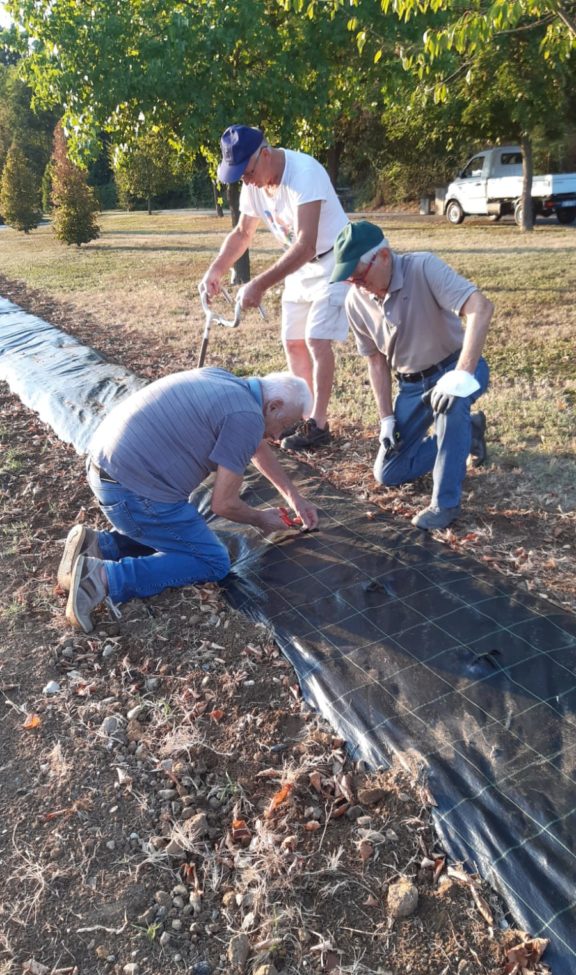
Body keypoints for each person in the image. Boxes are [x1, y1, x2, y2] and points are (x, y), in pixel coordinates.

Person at [58, 368, 318, 633]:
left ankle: (99, 545)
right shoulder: (247, 418)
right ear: (273, 406)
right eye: (284, 426)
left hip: (106, 470)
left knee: (178, 529)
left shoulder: (230, 383)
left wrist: (294, 497)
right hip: (131, 493)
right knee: (212, 561)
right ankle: (101, 578)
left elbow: (255, 447)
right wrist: (261, 518)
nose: (278, 437)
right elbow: (223, 504)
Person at [330, 220, 493, 530]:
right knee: (388, 472)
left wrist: (461, 375)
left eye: (359, 275)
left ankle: (445, 504)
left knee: (452, 404)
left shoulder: (423, 267)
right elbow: (376, 362)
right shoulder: (355, 302)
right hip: (411, 387)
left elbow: (480, 308)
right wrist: (386, 419)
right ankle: (468, 433)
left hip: (455, 366)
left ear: (385, 256)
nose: (357, 284)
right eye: (350, 279)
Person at [200, 124, 350, 451]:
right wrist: (217, 268)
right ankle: (303, 416)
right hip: (300, 264)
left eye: (248, 172)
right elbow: (242, 233)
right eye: (240, 176)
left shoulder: (304, 173)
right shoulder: (254, 183)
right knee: (293, 341)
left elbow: (307, 243)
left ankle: (319, 425)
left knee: (316, 338)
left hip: (334, 259)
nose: (247, 180)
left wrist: (260, 284)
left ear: (265, 154)